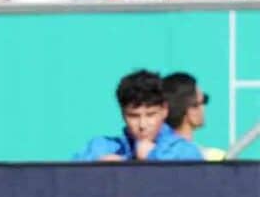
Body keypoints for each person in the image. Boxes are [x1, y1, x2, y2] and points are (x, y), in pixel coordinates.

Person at [74, 69, 203, 161]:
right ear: (122, 113)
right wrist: (99, 171)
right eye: (134, 116)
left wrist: (152, 159)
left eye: (150, 115)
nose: (142, 125)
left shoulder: (185, 152)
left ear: (164, 111)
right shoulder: (100, 148)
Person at [163, 71, 226, 159]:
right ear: (191, 110)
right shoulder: (212, 158)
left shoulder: (151, 153)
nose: (204, 107)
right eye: (204, 100)